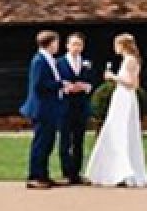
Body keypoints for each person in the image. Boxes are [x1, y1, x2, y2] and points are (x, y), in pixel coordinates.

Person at [87, 33, 147, 187]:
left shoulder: (130, 60)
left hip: (125, 97)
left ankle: (124, 172)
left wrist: (113, 77)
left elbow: (132, 83)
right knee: (115, 132)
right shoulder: (129, 60)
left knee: (121, 132)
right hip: (122, 97)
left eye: (116, 45)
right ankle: (115, 171)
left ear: (122, 46)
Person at [19, 31, 65, 190]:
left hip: (50, 108)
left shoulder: (49, 60)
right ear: (50, 43)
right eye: (56, 42)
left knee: (48, 143)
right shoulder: (39, 60)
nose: (58, 45)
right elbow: (39, 85)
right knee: (40, 143)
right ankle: (34, 176)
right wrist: (60, 84)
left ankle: (44, 175)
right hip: (42, 108)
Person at [55, 33, 98, 186]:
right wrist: (67, 88)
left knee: (79, 140)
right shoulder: (58, 63)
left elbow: (92, 80)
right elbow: (56, 81)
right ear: (67, 46)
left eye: (79, 44)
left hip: (81, 106)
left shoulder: (87, 63)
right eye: (73, 44)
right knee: (65, 140)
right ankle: (66, 172)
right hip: (64, 106)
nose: (76, 47)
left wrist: (84, 86)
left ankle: (76, 173)